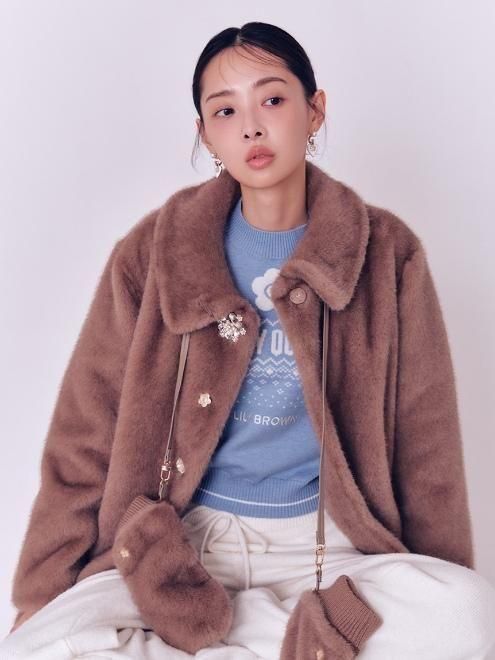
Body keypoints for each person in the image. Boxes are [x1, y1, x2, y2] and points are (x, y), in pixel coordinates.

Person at [2, 20, 495, 660]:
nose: (252, 128)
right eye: (225, 111)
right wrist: (41, 596)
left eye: (273, 99)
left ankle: (222, 637)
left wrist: (434, 583)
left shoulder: (386, 253)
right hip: (178, 551)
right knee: (34, 647)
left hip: (329, 551)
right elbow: (85, 433)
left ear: (315, 111)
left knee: (468, 615)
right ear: (205, 133)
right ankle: (287, 639)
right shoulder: (153, 252)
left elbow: (427, 444)